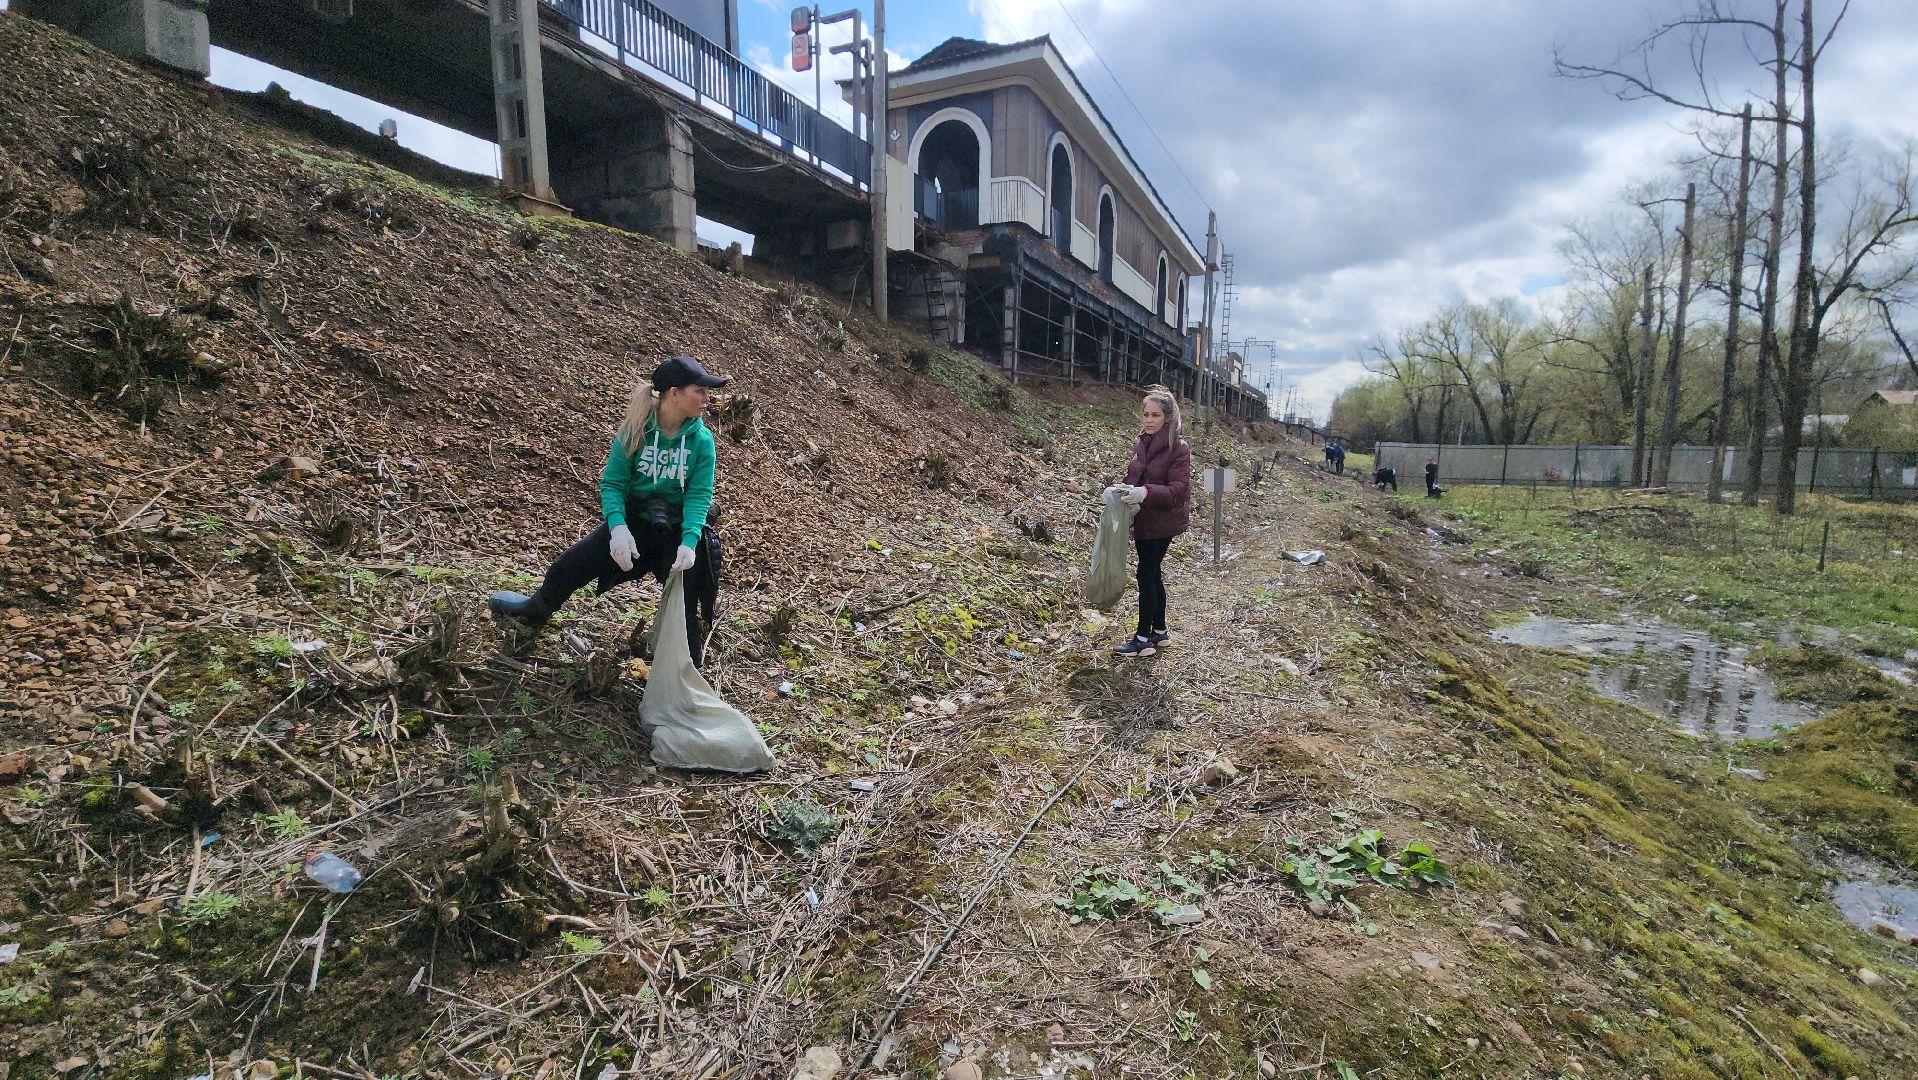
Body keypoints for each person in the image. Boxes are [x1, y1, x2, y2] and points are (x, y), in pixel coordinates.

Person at [489, 354, 727, 667]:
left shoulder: (701, 441)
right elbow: (613, 484)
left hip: (677, 527)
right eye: (700, 390)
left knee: (684, 603)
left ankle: (689, 672)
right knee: (567, 567)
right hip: (635, 523)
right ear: (675, 393)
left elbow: (699, 494)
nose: (707, 398)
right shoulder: (637, 430)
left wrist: (689, 538)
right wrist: (617, 529)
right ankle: (536, 609)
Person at [1106, 386, 1191, 658]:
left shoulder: (1177, 447)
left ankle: (1142, 639)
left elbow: (1179, 489)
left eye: (1155, 415)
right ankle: (1160, 631)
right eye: (1146, 414)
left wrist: (1146, 492)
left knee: (1146, 574)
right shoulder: (1142, 441)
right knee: (1153, 574)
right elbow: (1136, 477)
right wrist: (1120, 489)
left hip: (1162, 520)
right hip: (1144, 518)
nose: (1149, 419)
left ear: (1167, 417)